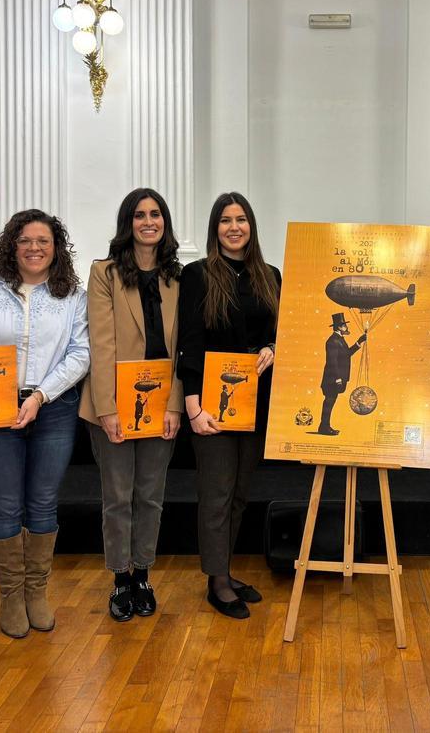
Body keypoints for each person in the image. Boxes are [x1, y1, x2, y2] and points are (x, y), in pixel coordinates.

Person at [0, 209, 89, 638]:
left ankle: (37, 591)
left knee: (44, 503)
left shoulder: (73, 296)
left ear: (57, 249)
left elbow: (80, 354)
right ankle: (11, 595)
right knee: (6, 504)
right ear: (11, 246)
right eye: (25, 240)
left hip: (53, 406)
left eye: (44, 241)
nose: (34, 248)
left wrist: (39, 396)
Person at [80, 188, 184, 623]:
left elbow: (183, 348)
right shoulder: (104, 273)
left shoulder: (179, 275)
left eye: (155, 214)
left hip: (163, 401)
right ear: (128, 223)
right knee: (118, 496)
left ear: (165, 222)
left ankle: (143, 573)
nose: (148, 222)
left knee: (151, 495)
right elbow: (101, 344)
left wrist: (176, 404)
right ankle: (120, 577)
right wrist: (108, 408)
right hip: (115, 401)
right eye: (139, 215)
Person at [177, 192, 280, 619]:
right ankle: (217, 582)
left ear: (251, 226)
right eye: (224, 220)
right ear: (214, 229)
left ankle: (225, 570)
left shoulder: (270, 275)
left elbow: (283, 330)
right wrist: (193, 408)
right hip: (212, 405)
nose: (233, 227)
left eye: (240, 219)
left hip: (256, 404)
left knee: (238, 494)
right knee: (216, 494)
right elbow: (189, 342)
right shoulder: (197, 275)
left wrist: (273, 347)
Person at [314, 312, 366, 435]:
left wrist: (359, 342)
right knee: (329, 402)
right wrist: (337, 378)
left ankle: (324, 426)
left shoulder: (339, 340)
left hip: (334, 379)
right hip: (332, 380)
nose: (346, 328)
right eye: (344, 326)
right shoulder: (332, 341)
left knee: (330, 402)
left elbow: (347, 354)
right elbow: (332, 362)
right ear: (339, 327)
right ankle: (324, 428)